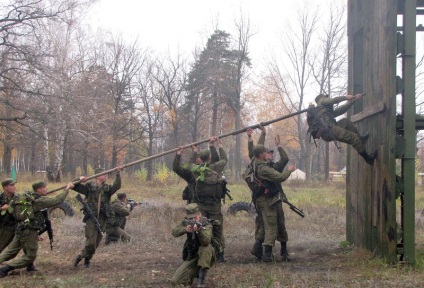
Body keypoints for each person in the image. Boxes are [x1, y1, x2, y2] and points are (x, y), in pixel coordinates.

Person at [0, 180, 71, 278]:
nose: (46, 189)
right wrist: (67, 189)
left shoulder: (25, 197)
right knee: (30, 256)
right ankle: (6, 268)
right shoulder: (39, 201)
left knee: (10, 252)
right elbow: (58, 200)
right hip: (28, 230)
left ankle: (29, 266)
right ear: (39, 189)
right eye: (44, 187)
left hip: (20, 228)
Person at [72, 166, 123, 269]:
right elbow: (74, 186)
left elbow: (117, 185)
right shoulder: (89, 186)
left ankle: (87, 260)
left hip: (102, 218)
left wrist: (118, 173)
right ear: (98, 176)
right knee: (90, 242)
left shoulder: (107, 188)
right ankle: (80, 257)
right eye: (104, 174)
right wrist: (79, 179)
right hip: (91, 218)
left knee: (96, 242)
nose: (106, 176)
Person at [252, 144, 295, 262]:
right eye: (267, 152)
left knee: (280, 223)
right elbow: (280, 177)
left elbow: (284, 159)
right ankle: (267, 255)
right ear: (261, 155)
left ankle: (283, 250)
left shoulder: (268, 165)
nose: (269, 154)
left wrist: (280, 146)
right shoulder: (263, 168)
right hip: (266, 200)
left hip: (274, 199)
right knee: (270, 225)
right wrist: (289, 171)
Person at [310, 93, 377, 165]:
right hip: (329, 130)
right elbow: (333, 100)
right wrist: (346, 97)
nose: (327, 98)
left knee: (345, 122)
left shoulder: (324, 110)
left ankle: (361, 140)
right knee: (354, 138)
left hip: (331, 128)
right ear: (322, 98)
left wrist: (353, 101)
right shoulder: (321, 102)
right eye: (326, 98)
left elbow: (340, 110)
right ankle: (369, 159)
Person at [190, 137, 227, 262]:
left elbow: (190, 164)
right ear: (210, 158)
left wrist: (195, 150)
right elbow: (224, 159)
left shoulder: (196, 170)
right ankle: (220, 254)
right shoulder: (216, 168)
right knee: (217, 228)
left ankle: (200, 252)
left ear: (200, 159)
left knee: (201, 227)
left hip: (201, 205)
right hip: (215, 205)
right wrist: (219, 146)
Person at [170, 203, 215, 288]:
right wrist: (185, 229)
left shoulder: (206, 223)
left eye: (195, 217)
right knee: (175, 281)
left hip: (207, 255)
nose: (193, 219)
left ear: (199, 214)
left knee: (205, 248)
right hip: (192, 255)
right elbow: (174, 232)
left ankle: (201, 281)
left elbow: (206, 242)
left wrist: (199, 232)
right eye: (190, 218)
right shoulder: (186, 222)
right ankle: (194, 273)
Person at [173, 140, 220, 204]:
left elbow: (176, 168)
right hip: (211, 206)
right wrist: (212, 144)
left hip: (195, 206)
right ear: (209, 158)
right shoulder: (214, 169)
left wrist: (178, 154)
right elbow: (217, 159)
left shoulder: (191, 173)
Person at [0, 179, 19, 253]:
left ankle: (29, 263)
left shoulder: (17, 197)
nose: (14, 187)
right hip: (4, 227)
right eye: (11, 185)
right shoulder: (0, 197)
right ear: (5, 187)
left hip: (16, 225)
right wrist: (2, 208)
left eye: (14, 185)